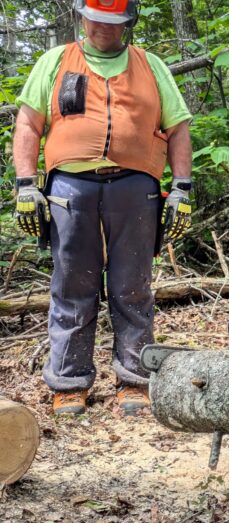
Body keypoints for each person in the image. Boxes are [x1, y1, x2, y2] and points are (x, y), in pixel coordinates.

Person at [12, 0, 193, 416]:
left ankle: (134, 377)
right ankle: (69, 381)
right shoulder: (56, 61)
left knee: (133, 285)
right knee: (73, 284)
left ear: (128, 21)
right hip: (70, 186)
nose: (102, 28)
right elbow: (28, 122)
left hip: (135, 186)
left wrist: (181, 188)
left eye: (113, 21)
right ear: (82, 17)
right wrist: (26, 184)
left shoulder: (150, 66)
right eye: (96, 19)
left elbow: (178, 127)